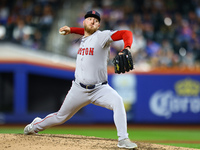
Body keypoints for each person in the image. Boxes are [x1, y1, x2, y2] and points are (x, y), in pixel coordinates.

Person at [24, 10, 137, 149]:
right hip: (78, 89)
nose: (93, 21)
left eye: (96, 20)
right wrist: (71, 30)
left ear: (99, 25)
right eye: (90, 19)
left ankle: (123, 139)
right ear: (84, 22)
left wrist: (127, 47)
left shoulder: (102, 36)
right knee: (60, 117)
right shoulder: (84, 36)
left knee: (118, 101)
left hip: (100, 88)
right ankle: (35, 125)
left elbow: (126, 33)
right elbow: (84, 32)